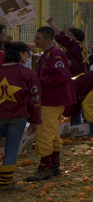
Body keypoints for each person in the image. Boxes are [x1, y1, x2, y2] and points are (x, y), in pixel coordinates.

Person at [31, 25, 76, 180]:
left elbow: (60, 75)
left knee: (44, 132)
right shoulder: (48, 54)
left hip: (51, 99)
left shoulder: (55, 54)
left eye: (38, 38)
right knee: (53, 132)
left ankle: (45, 167)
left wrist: (39, 82)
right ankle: (54, 164)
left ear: (47, 40)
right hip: (53, 99)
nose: (34, 40)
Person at [0, 42, 39, 191]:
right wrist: (35, 120)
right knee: (11, 148)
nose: (28, 56)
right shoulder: (28, 74)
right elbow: (34, 99)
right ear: (20, 53)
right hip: (18, 117)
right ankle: (5, 184)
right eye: (26, 53)